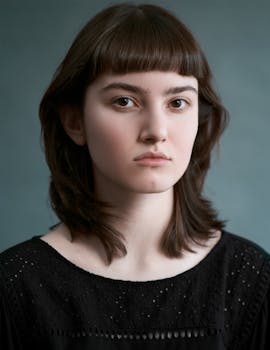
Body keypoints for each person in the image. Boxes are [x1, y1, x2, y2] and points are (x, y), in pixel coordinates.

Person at [0, 3, 269, 349]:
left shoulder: (253, 281)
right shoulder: (14, 286)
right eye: (125, 101)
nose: (156, 131)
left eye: (177, 103)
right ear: (74, 122)